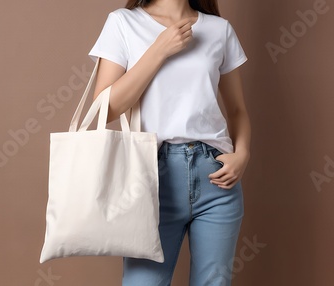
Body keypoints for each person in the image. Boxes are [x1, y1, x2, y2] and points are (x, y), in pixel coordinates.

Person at [88, 0, 251, 285]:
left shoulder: (219, 29)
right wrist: (159, 50)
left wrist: (243, 154)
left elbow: (237, 109)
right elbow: (107, 108)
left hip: (216, 177)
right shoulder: (123, 22)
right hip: (150, 177)